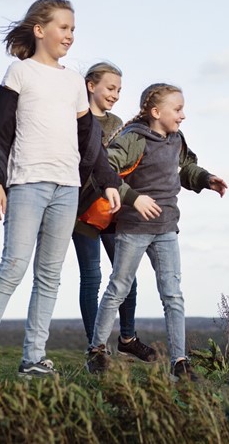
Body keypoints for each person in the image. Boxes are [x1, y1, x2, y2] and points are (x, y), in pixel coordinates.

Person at [0, 0, 121, 379]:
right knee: (12, 267)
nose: (70, 35)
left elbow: (89, 141)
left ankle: (34, 358)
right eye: (64, 28)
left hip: (67, 188)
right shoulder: (20, 73)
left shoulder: (74, 82)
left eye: (74, 29)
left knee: (49, 275)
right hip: (26, 183)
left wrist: (109, 181)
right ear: (40, 30)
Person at [86, 83, 227, 382]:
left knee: (172, 294)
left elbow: (186, 167)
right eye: (177, 109)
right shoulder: (134, 139)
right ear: (155, 112)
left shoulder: (176, 139)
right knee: (118, 288)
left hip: (166, 229)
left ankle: (179, 362)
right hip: (134, 228)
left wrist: (205, 179)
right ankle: (97, 352)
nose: (183, 115)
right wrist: (133, 197)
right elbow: (105, 169)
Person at [72, 62, 157, 362]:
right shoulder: (75, 119)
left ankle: (127, 337)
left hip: (112, 210)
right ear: (90, 86)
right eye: (110, 88)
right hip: (81, 210)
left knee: (126, 278)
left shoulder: (118, 123)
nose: (115, 95)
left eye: (119, 90)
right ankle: (96, 348)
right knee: (92, 278)